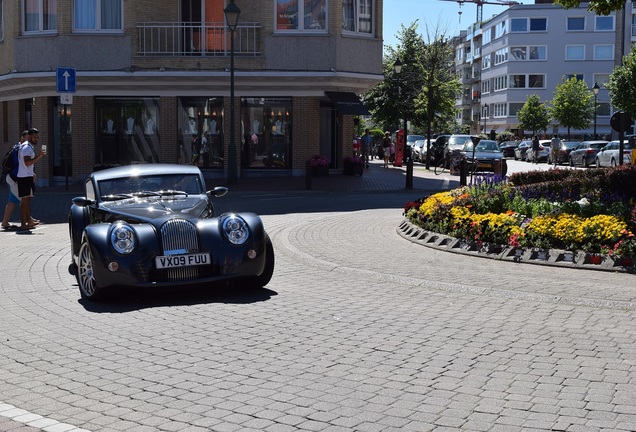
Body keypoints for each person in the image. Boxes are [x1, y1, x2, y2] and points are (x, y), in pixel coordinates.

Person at [17, 128, 45, 231]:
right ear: (29, 136)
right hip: (24, 178)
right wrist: (39, 156)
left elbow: (28, 165)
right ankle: (23, 224)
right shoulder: (26, 148)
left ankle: (29, 221)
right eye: (34, 137)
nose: (36, 139)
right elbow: (27, 163)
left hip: (27, 176)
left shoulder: (28, 147)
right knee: (24, 201)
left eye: (37, 137)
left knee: (28, 200)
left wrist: (32, 173)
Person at [1, 131, 29, 230]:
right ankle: (27, 222)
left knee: (13, 200)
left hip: (12, 178)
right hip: (15, 179)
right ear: (22, 138)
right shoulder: (19, 149)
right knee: (24, 199)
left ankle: (5, 222)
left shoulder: (18, 148)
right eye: (26, 138)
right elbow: (19, 166)